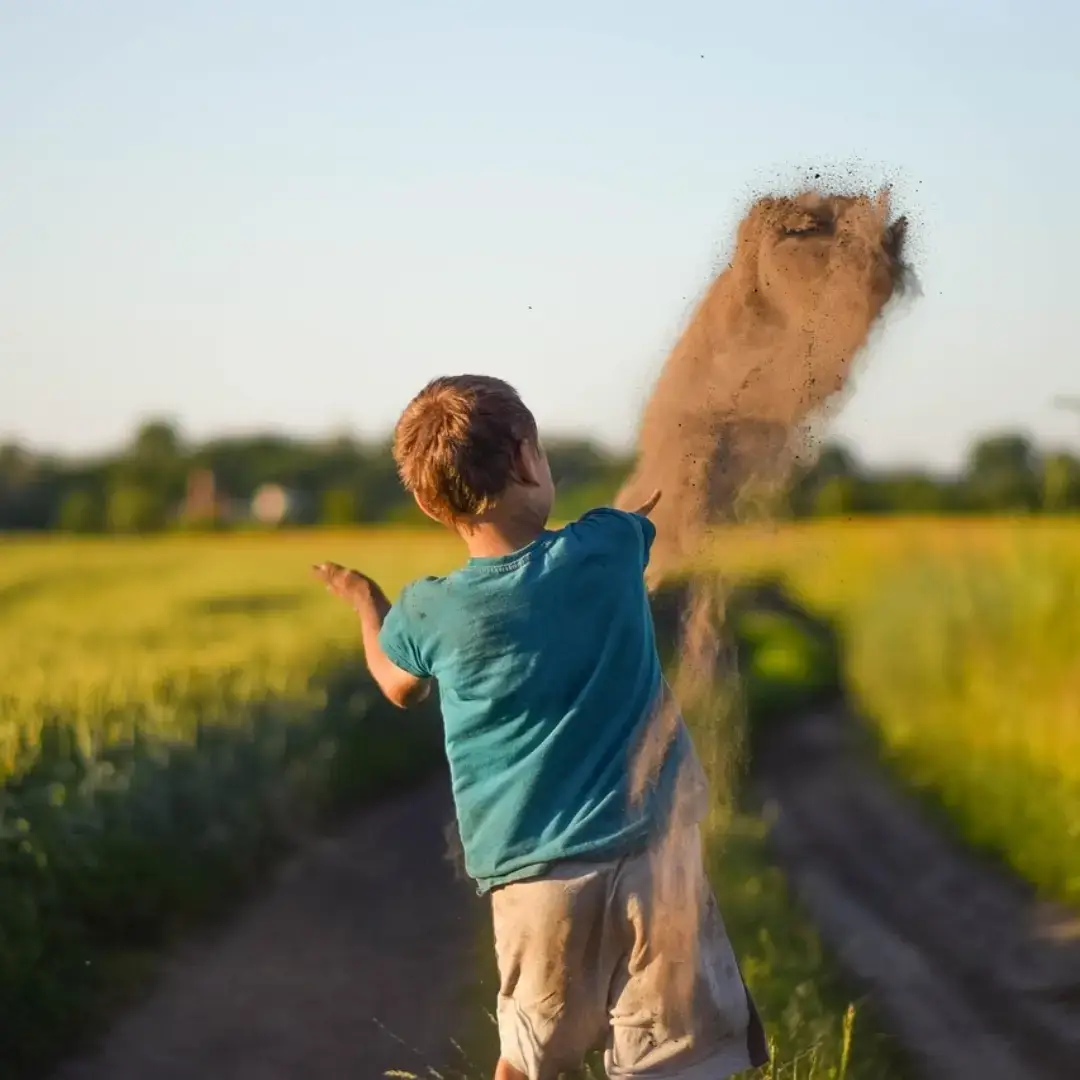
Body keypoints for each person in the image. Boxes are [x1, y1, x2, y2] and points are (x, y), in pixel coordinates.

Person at [313, 375, 768, 1080]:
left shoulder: (428, 610)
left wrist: (367, 602)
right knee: (675, 1060)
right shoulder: (607, 544)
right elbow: (649, 509)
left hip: (535, 882)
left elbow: (398, 685)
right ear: (527, 458)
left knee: (529, 1059)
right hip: (657, 856)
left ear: (429, 504)